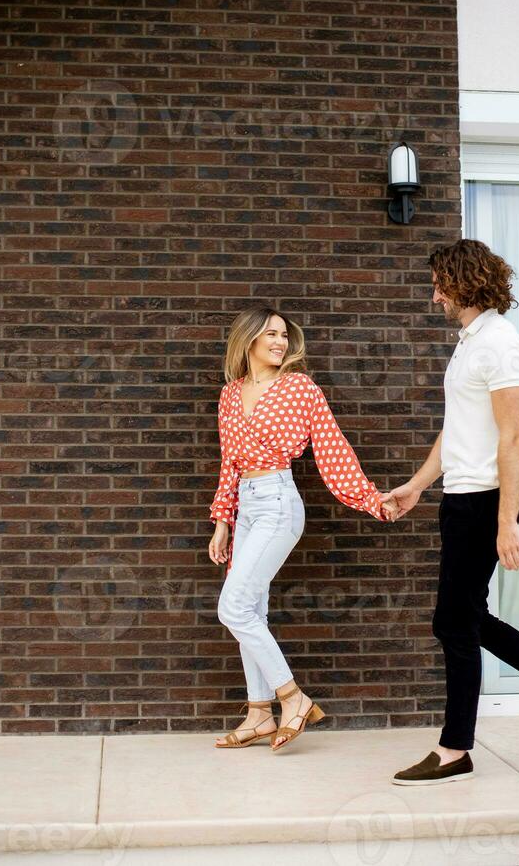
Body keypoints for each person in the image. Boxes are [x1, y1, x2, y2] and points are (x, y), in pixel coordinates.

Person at [389, 239, 519, 786]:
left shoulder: (500, 343)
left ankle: (455, 748)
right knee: (463, 619)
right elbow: (457, 429)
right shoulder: (469, 342)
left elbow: (514, 436)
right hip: (462, 496)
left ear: (463, 282)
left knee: (454, 622)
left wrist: (507, 520)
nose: (434, 294)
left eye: (440, 282)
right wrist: (417, 486)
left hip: (487, 499)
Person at [208, 305, 397, 752]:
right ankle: (259, 713)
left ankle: (292, 697)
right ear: (248, 340)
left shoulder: (299, 388)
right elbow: (228, 464)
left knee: (232, 608)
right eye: (270, 334)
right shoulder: (230, 395)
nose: (280, 342)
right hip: (247, 509)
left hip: (277, 503)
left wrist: (370, 498)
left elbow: (333, 450)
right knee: (252, 611)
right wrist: (222, 523)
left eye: (284, 336)